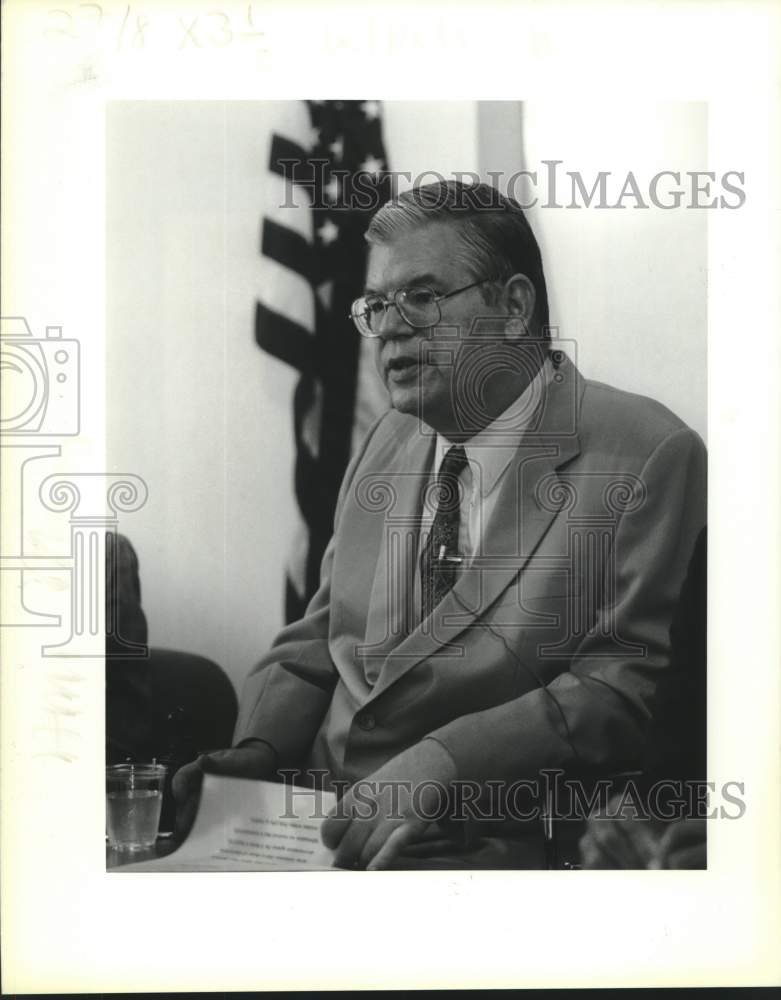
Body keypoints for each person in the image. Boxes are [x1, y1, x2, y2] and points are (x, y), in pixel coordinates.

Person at [173, 180, 707, 870]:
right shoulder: (387, 438)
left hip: (485, 847)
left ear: (514, 307)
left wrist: (444, 764)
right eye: (376, 306)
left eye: (422, 298)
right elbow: (325, 630)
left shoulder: (647, 453)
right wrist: (258, 752)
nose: (390, 327)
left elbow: (626, 687)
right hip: (314, 835)